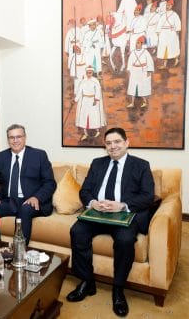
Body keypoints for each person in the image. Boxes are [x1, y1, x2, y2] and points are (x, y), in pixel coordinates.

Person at [66, 127, 154, 317]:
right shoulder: (97, 163)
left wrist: (122, 205)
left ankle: (118, 289)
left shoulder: (141, 165)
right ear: (105, 146)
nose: (113, 146)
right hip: (97, 214)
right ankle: (87, 282)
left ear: (126, 143)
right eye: (108, 143)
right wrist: (93, 203)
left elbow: (148, 196)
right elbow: (85, 191)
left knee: (124, 241)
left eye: (117, 142)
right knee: (77, 232)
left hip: (124, 215)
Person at [0, 124, 56, 244]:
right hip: (9, 201)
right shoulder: (2, 157)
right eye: (11, 137)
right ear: (8, 140)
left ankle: (19, 253)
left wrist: (37, 197)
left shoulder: (39, 155)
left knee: (24, 210)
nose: (15, 141)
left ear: (25, 137)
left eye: (18, 137)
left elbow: (50, 183)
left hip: (32, 202)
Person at [74, 66, 107, 140]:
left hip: (92, 100)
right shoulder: (83, 81)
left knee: (94, 116)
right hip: (85, 100)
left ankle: (97, 131)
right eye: (87, 73)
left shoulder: (95, 81)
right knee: (84, 116)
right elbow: (79, 91)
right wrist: (76, 99)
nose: (89, 74)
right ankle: (85, 133)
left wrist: (96, 99)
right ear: (86, 73)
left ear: (92, 73)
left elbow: (98, 91)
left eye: (90, 73)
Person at [126, 36, 155, 108]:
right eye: (136, 43)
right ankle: (132, 103)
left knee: (143, 87)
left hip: (143, 71)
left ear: (142, 44)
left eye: (138, 43)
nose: (136, 44)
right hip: (134, 71)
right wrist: (129, 70)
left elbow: (150, 62)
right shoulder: (133, 52)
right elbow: (130, 62)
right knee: (133, 86)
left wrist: (149, 71)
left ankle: (144, 102)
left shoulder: (145, 52)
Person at [156, 0, 181, 68]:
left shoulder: (174, 14)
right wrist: (158, 31)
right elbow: (160, 23)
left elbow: (178, 23)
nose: (167, 6)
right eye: (167, 5)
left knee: (172, 47)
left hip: (171, 33)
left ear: (172, 6)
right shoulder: (163, 15)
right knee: (164, 47)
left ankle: (176, 59)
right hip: (163, 33)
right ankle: (164, 64)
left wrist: (177, 30)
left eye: (169, 5)